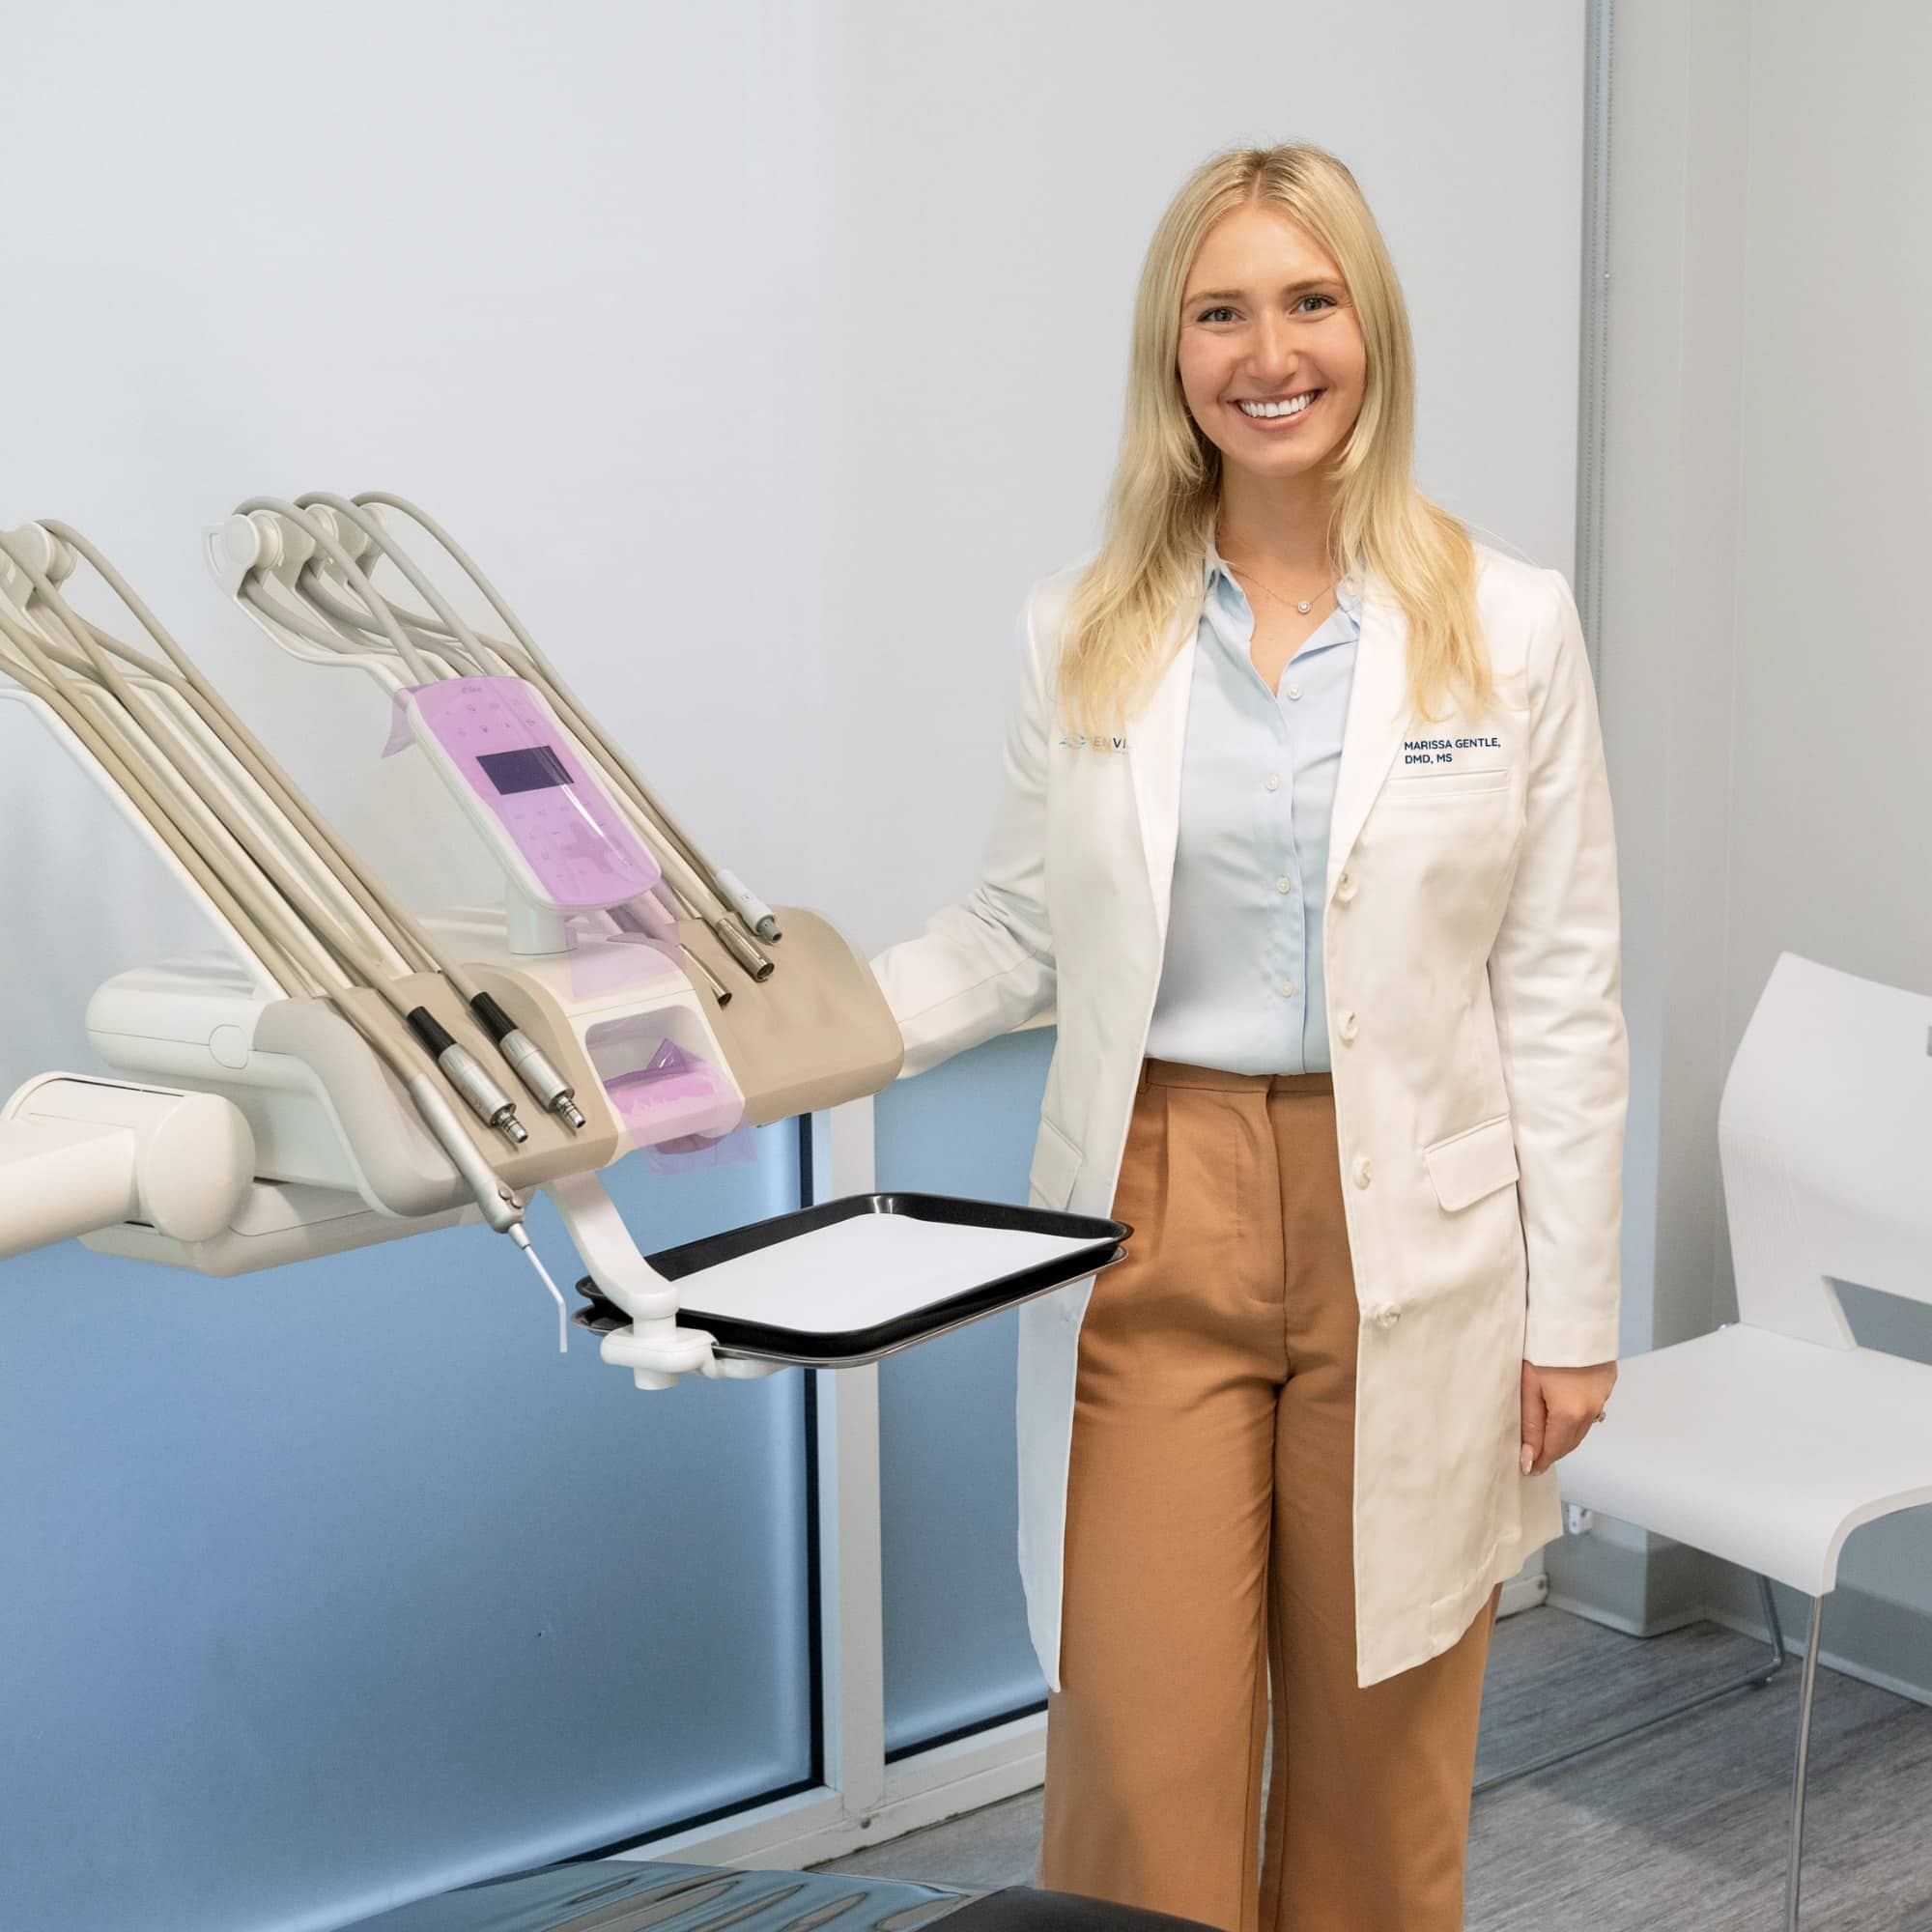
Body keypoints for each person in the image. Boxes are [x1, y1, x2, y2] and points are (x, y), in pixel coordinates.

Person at [868, 140, 1627, 1932]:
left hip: (1419, 1236)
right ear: (1174, 351)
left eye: (1309, 300)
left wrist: (1575, 1314)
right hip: (1158, 1206)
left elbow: (1563, 983)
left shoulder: (1507, 625)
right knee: (1141, 1761)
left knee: (1382, 1774)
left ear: (1370, 330)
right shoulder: (1086, 629)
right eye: (1222, 311)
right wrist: (781, 1044)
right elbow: (1010, 934)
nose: (1268, 350)